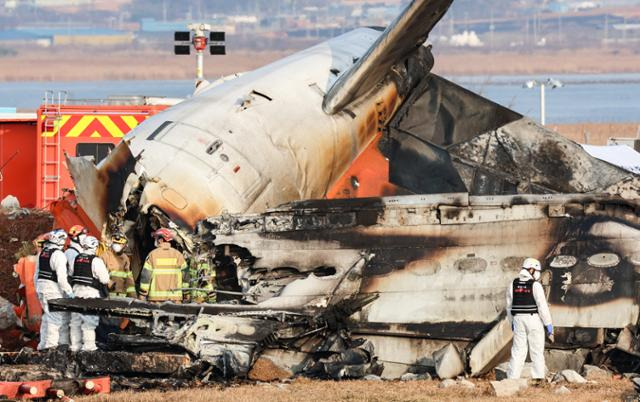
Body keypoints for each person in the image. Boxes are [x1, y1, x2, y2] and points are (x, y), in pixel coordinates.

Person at [506, 257, 553, 381]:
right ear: (531, 270)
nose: (538, 274)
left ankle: (512, 379)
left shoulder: (513, 284)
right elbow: (542, 307)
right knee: (536, 351)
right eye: (537, 271)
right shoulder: (535, 285)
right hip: (533, 320)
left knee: (518, 350)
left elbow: (509, 306)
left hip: (517, 319)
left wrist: (512, 322)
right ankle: (538, 379)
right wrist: (548, 324)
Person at [69, 236, 109, 352]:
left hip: (76, 294)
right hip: (90, 294)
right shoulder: (96, 261)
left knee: (75, 322)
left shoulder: (76, 258)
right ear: (95, 246)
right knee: (89, 323)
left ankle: (75, 347)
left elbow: (71, 273)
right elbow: (105, 279)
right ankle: (89, 347)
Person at [34, 229, 73, 350]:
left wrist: (37, 289)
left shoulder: (43, 252)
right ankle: (51, 347)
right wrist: (70, 292)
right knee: (55, 319)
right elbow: (62, 278)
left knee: (47, 317)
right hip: (52, 289)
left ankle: (42, 346)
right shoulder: (59, 255)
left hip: (42, 288)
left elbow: (36, 274)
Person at [139, 228, 187, 303]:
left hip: (156, 300)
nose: (155, 240)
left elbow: (146, 276)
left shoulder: (152, 255)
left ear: (160, 240)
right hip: (175, 300)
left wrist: (143, 294)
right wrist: (186, 294)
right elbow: (185, 277)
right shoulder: (178, 255)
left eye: (156, 238)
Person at [103, 233, 136, 298]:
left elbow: (129, 279)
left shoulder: (125, 258)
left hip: (121, 297)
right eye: (115, 243)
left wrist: (133, 296)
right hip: (107, 296)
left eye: (120, 244)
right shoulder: (105, 256)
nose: (117, 245)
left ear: (124, 245)